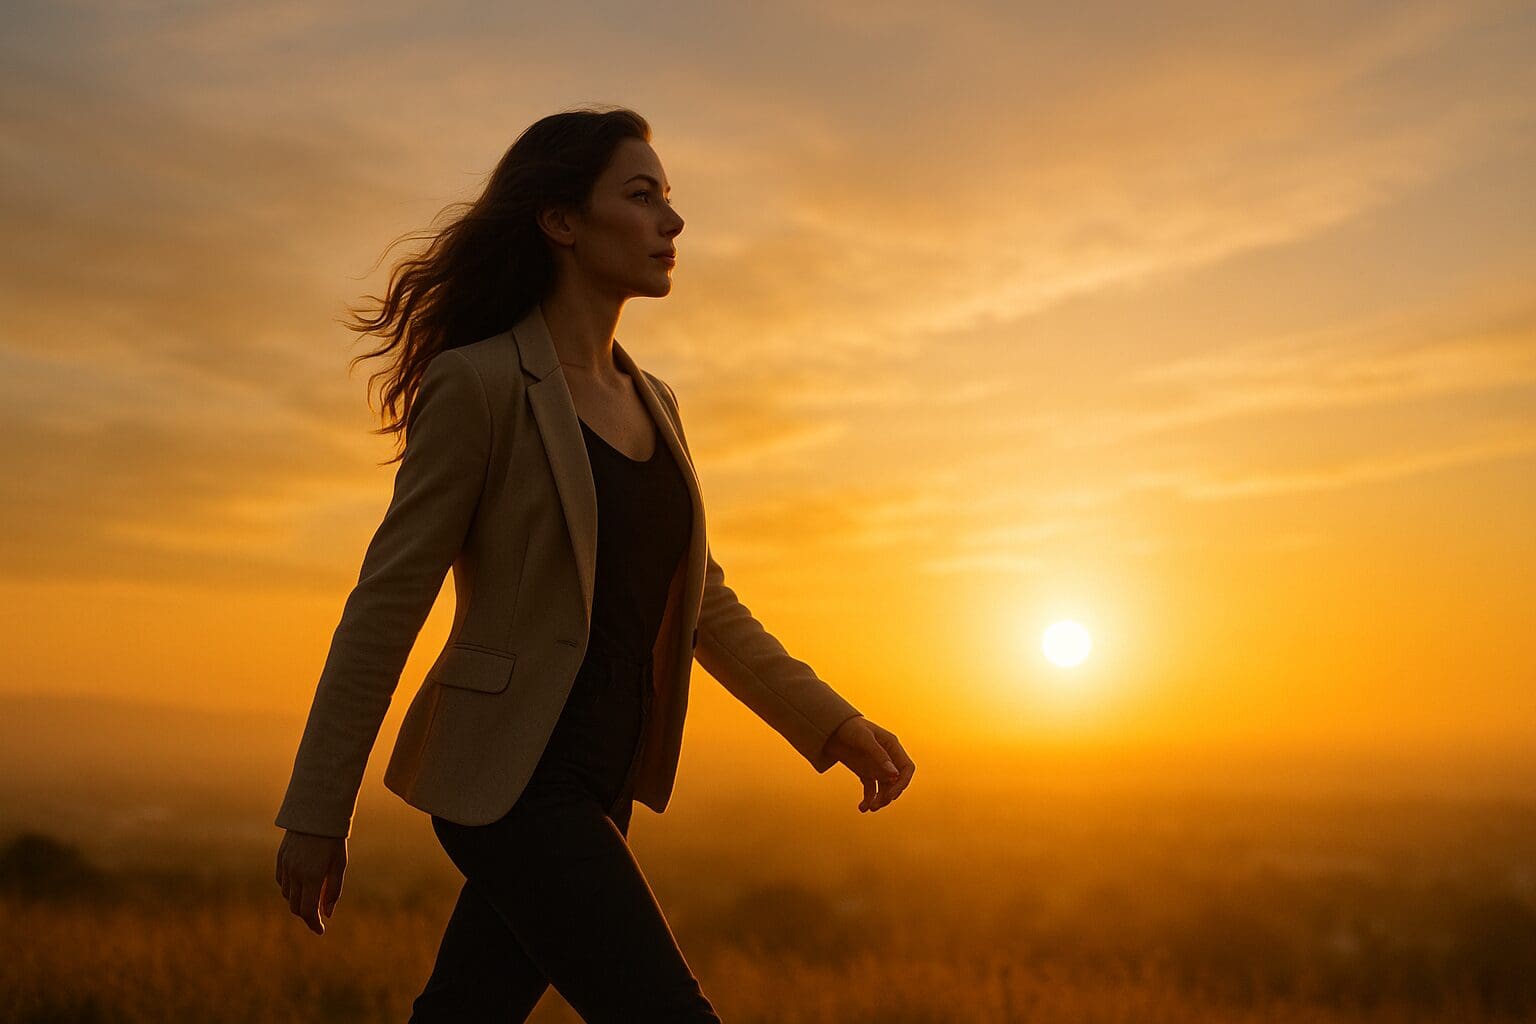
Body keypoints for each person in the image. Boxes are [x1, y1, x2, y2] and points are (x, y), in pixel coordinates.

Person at [272, 105, 915, 1022]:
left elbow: (702, 602)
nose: (672, 221)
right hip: (513, 783)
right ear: (562, 221)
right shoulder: (480, 384)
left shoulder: (656, 401)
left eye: (669, 197)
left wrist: (831, 723)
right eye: (642, 196)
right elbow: (386, 606)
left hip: (606, 779)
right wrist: (317, 809)